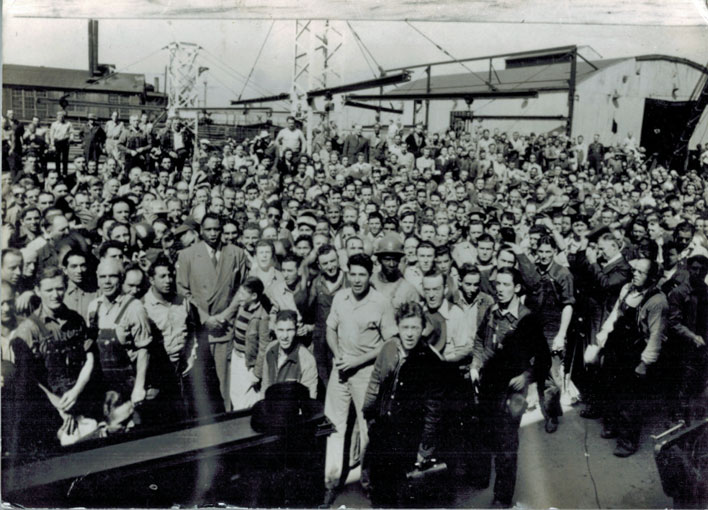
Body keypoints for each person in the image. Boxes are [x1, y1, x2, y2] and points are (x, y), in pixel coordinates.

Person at [470, 267, 551, 508]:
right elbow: (480, 340)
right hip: (489, 386)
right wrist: (476, 363)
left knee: (506, 443)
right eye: (498, 285)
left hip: (513, 391)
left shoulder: (527, 319)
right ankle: (482, 477)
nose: (501, 290)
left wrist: (527, 376)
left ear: (517, 288)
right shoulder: (492, 312)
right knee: (487, 433)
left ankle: (502, 498)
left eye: (506, 285)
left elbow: (544, 358)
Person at [322, 253, 397, 506]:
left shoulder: (381, 302)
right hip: (340, 370)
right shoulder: (340, 298)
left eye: (362, 275)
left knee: (368, 431)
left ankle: (368, 482)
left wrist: (358, 360)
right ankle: (330, 482)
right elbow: (330, 328)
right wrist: (337, 354)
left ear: (369, 274)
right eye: (352, 274)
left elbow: (390, 342)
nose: (356, 279)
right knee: (332, 426)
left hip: (366, 373)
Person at [363, 301, 447, 507]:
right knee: (380, 489)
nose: (409, 333)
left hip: (408, 437)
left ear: (422, 329)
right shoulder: (389, 348)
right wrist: (369, 413)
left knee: (404, 493)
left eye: (415, 327)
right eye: (405, 327)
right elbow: (376, 380)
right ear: (398, 327)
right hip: (383, 430)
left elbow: (433, 411)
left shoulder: (430, 361)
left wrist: (424, 449)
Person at [586, 256, 667, 457]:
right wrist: (603, 335)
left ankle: (628, 441)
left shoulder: (657, 300)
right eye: (635, 270)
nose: (635, 274)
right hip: (617, 347)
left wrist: (644, 363)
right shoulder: (627, 290)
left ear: (652, 277)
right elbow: (615, 314)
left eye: (641, 272)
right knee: (611, 389)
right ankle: (612, 425)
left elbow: (656, 336)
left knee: (630, 399)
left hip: (635, 353)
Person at [176, 213, 249, 411]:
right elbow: (182, 291)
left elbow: (243, 288)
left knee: (226, 385)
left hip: (226, 327)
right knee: (202, 387)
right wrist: (204, 317)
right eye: (208, 229)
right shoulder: (187, 255)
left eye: (217, 229)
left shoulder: (236, 253)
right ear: (200, 230)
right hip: (200, 330)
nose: (213, 234)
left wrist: (226, 314)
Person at [144, 254, 223, 418]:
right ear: (151, 280)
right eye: (162, 276)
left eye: (170, 275)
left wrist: (190, 358)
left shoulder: (183, 302)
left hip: (184, 367)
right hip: (159, 372)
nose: (168, 280)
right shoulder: (144, 306)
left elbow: (193, 332)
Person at [230, 276, 270, 411]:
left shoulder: (262, 317)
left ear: (253, 296)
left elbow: (264, 347)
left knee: (245, 402)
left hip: (248, 365)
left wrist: (257, 373)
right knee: (235, 397)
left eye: (242, 294)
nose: (239, 296)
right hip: (237, 359)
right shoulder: (242, 307)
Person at [261, 309, 318, 399]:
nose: (284, 336)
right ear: (275, 329)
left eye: (289, 330)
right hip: (271, 409)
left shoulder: (306, 359)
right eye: (281, 330)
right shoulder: (270, 349)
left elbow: (309, 400)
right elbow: (265, 385)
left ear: (296, 330)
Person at [48, 110, 72, 176]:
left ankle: (65, 173)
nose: (61, 118)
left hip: (65, 142)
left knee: (65, 158)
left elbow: (71, 132)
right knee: (57, 158)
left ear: (64, 117)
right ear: (57, 117)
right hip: (57, 142)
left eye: (62, 116)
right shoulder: (54, 124)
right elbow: (51, 135)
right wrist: (52, 144)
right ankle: (57, 173)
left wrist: (70, 139)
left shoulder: (68, 124)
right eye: (59, 116)